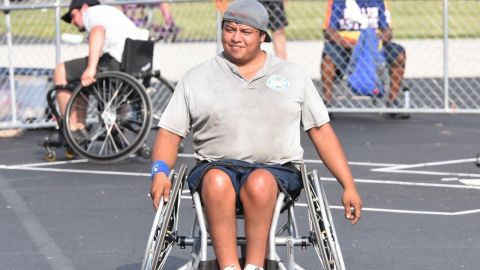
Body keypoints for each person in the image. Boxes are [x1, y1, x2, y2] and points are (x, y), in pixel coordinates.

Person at [150, 0, 363, 269]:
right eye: (229, 29)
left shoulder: (292, 75)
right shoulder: (196, 77)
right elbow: (169, 133)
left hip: (276, 171)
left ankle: (255, 265)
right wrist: (158, 171)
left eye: (245, 31)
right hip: (215, 167)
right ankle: (229, 266)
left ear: (262, 36)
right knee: (216, 180)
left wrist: (348, 185)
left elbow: (321, 131)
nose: (235, 38)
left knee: (260, 181)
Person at [54, 0, 148, 138]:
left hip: (115, 62)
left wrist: (91, 68)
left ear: (84, 7)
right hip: (132, 63)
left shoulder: (92, 12)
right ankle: (82, 127)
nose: (72, 22)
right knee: (81, 77)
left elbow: (97, 31)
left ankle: (72, 129)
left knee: (61, 70)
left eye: (73, 16)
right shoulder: (110, 13)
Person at [321, 0, 406, 107]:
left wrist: (371, 42)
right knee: (328, 54)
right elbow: (329, 31)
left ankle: (392, 101)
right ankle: (327, 101)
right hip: (346, 47)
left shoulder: (379, 1)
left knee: (399, 54)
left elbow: (388, 32)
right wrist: (347, 43)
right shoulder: (338, 2)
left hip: (373, 49)